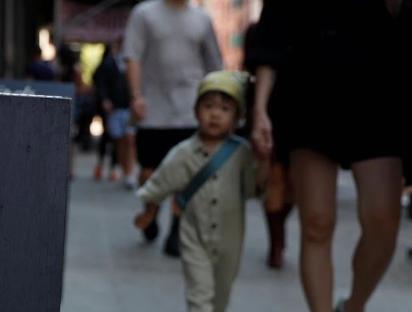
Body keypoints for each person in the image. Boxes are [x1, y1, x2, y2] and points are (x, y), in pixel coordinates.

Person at [247, 0, 407, 312]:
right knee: (317, 223)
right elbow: (272, 37)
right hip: (309, 95)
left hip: (378, 97)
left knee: (384, 222)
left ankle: (351, 311)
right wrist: (261, 110)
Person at [133, 71, 268, 312]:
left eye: (224, 109)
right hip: (193, 233)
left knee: (222, 288)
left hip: (231, 237)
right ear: (195, 112)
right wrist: (148, 211)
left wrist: (264, 161)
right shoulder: (183, 153)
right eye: (208, 106)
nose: (215, 114)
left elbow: (253, 189)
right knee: (199, 284)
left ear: (238, 117)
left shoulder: (242, 154)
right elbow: (161, 182)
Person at [124, 0, 223, 256]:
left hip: (190, 113)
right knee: (149, 170)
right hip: (153, 110)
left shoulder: (202, 19)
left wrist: (216, 106)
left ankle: (177, 230)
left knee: (187, 174)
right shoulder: (144, 13)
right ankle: (151, 210)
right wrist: (136, 96)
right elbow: (133, 56)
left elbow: (214, 65)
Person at [240, 21, 294, 270]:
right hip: (268, 110)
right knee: (274, 180)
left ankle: (279, 227)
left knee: (294, 185)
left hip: (302, 113)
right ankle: (276, 242)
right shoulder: (258, 30)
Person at [95, 38, 136, 189]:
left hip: (129, 107)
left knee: (130, 139)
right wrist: (105, 99)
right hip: (115, 107)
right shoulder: (108, 63)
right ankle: (123, 168)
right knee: (119, 140)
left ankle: (129, 172)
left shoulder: (133, 63)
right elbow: (101, 83)